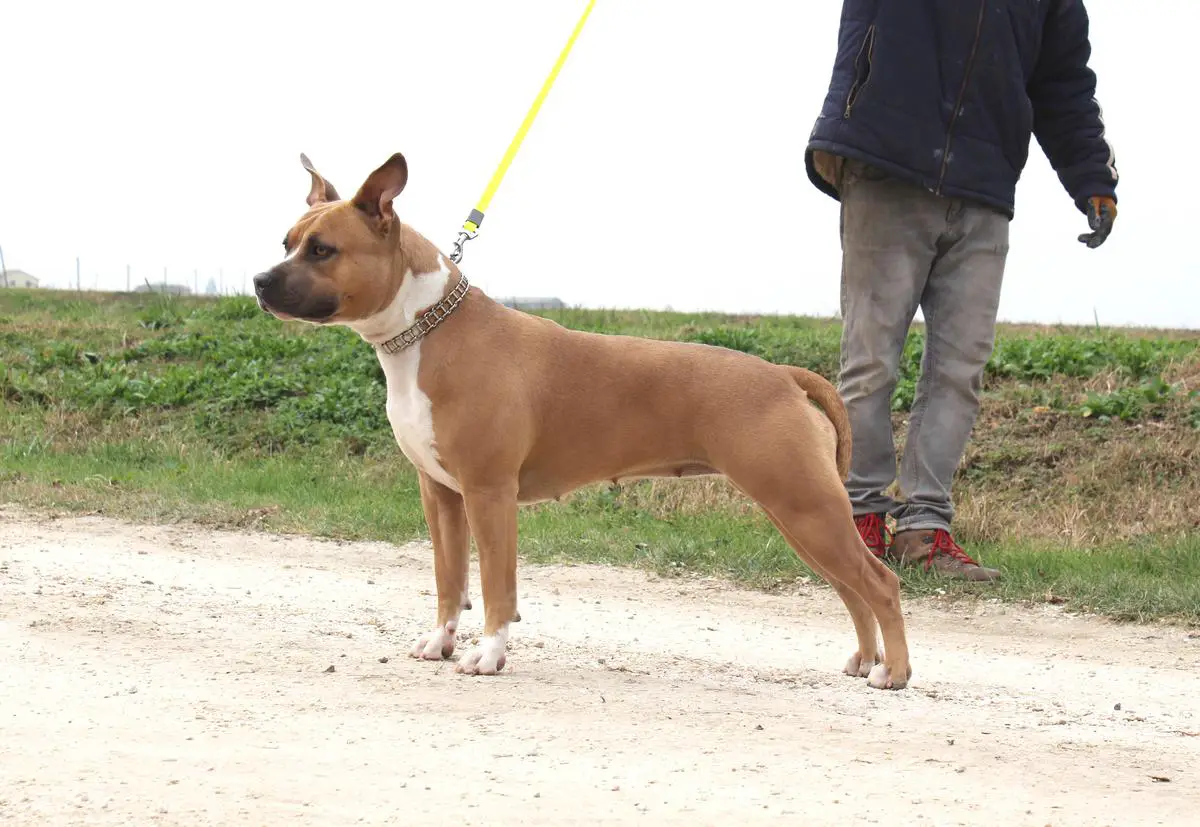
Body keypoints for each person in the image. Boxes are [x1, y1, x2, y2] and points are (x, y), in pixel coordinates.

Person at [805, 0, 1118, 581]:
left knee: (960, 368)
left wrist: (1091, 174)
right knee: (870, 359)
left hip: (984, 185)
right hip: (886, 163)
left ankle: (926, 529)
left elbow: (1063, 84)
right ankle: (860, 516)